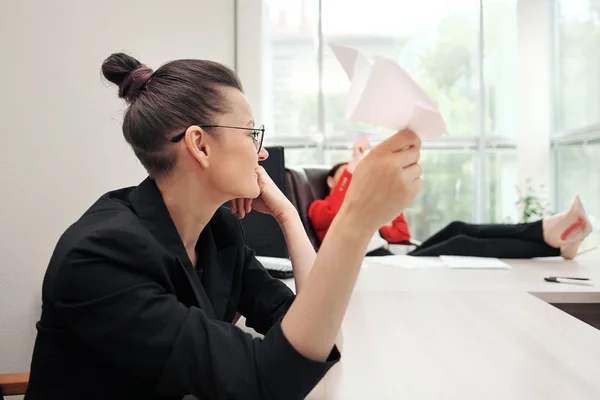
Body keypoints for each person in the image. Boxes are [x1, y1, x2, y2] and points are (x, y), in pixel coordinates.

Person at [25, 53, 423, 399]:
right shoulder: (101, 256)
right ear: (200, 145)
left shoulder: (218, 232)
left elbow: (316, 336)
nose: (262, 151)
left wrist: (288, 216)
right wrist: (354, 220)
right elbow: (267, 381)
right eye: (252, 133)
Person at [309, 140, 592, 260]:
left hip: (391, 259)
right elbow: (331, 213)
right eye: (347, 176)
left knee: (457, 228)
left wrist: (379, 210)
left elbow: (402, 235)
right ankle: (554, 244)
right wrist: (353, 166)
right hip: (367, 265)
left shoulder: (364, 209)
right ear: (333, 182)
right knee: (462, 244)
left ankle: (549, 232)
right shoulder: (320, 207)